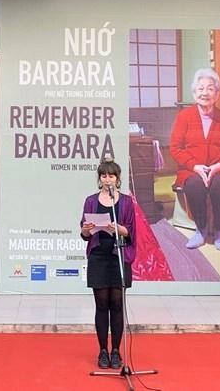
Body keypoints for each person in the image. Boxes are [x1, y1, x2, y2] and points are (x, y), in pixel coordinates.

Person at [170, 68, 220, 250]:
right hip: (191, 168)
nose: (205, 93)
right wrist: (195, 167)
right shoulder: (183, 117)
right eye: (200, 89)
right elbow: (176, 148)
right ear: (194, 94)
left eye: (210, 88)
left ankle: (219, 229)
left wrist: (217, 167)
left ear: (217, 94)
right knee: (193, 185)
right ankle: (200, 230)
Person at [80, 158, 136, 369]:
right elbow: (84, 233)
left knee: (117, 305)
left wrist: (119, 229)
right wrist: (87, 229)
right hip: (99, 257)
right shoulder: (91, 201)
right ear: (99, 178)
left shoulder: (127, 202)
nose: (107, 179)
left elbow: (131, 232)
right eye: (104, 176)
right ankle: (103, 350)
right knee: (102, 305)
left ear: (118, 179)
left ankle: (116, 351)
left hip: (118, 257)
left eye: (111, 176)